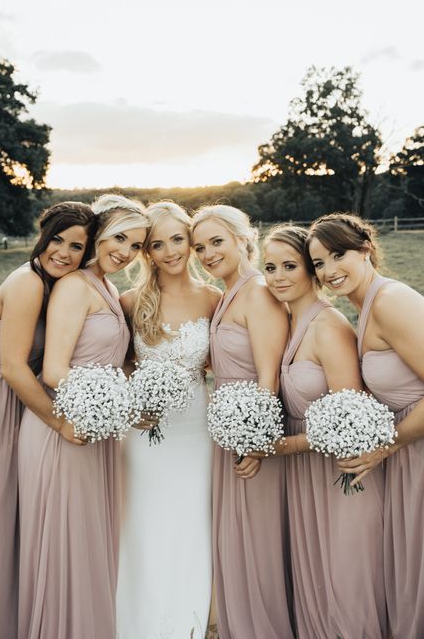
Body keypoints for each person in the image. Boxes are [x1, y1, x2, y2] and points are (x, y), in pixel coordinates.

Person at [0, 201, 97, 639]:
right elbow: (13, 368)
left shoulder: (60, 285)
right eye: (58, 239)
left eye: (77, 246)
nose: (64, 253)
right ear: (42, 234)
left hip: (10, 410)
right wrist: (59, 424)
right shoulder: (27, 282)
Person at [17, 194, 149, 639]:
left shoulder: (108, 287)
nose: (126, 251)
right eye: (119, 238)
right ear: (98, 234)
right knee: (64, 546)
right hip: (66, 429)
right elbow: (54, 369)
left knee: (87, 544)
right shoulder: (75, 286)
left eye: (135, 245)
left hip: (96, 427)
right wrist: (116, 407)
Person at [263, 223, 387, 639]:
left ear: (310, 272)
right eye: (269, 267)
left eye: (289, 266)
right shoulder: (287, 324)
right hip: (305, 476)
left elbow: (350, 416)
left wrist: (283, 446)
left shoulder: (328, 327)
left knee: (345, 582)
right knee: (315, 579)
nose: (278, 276)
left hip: (340, 474)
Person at [307, 212, 424, 639]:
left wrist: (386, 447)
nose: (330, 270)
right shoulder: (364, 309)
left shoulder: (391, 300)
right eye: (319, 263)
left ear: (365, 249)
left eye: (339, 255)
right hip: (406, 452)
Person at [116, 201, 220, 639]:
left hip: (197, 429)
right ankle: (139, 619)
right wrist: (135, 399)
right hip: (144, 433)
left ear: (191, 241)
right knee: (144, 519)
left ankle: (192, 620)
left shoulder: (216, 298)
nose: (170, 251)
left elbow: (226, 362)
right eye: (157, 244)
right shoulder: (128, 301)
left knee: (193, 518)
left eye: (178, 239)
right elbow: (118, 365)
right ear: (147, 254)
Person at [191, 205, 293, 639]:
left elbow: (269, 375)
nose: (207, 253)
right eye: (200, 247)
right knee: (234, 536)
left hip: (254, 435)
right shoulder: (227, 292)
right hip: (229, 428)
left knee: (255, 538)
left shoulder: (258, 291)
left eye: (217, 241)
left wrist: (257, 441)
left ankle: (262, 625)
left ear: (242, 239)